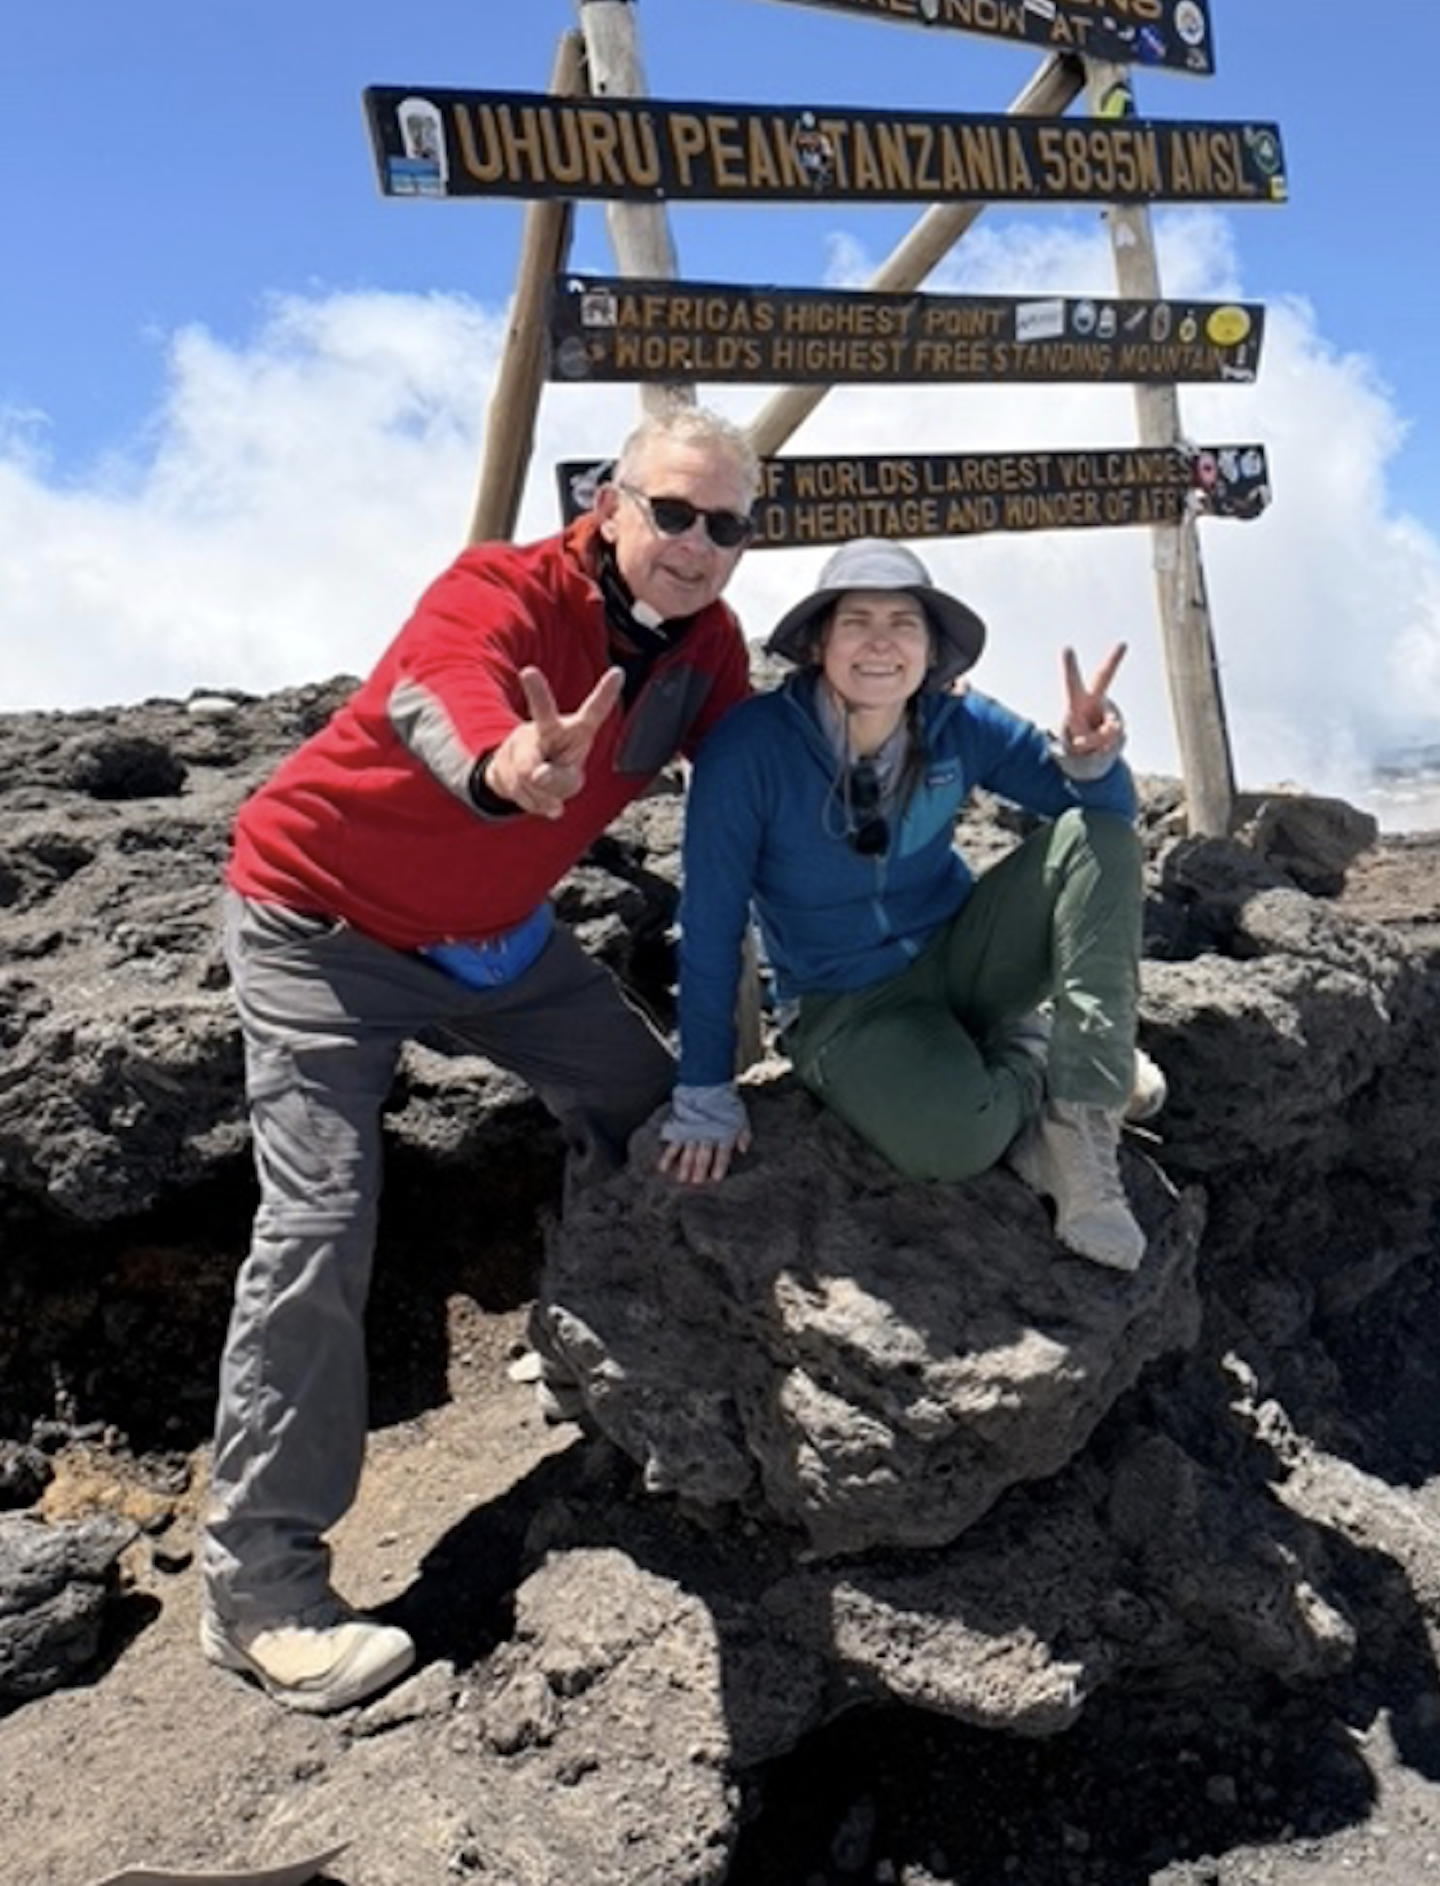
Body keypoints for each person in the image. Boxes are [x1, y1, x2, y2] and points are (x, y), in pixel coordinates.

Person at [201, 404, 760, 1714]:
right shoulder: (497, 585)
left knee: (652, 1109)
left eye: (725, 524)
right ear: (610, 503)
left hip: (495, 938)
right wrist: (509, 764)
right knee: (321, 1223)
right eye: (671, 511)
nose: (693, 543)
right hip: (318, 925)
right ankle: (262, 1591)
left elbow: (754, 779)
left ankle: (594, 1346)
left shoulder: (709, 650)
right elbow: (442, 689)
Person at [658, 537, 1163, 1271]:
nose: (880, 642)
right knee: (953, 1144)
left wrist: (1091, 763)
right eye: (856, 620)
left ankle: (1083, 1115)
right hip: (846, 1003)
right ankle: (1035, 1053)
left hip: (964, 952)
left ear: (932, 650)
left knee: (1097, 839)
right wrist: (704, 1087)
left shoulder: (960, 721)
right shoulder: (749, 748)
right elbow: (709, 922)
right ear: (819, 640)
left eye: (905, 622)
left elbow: (1105, 826)